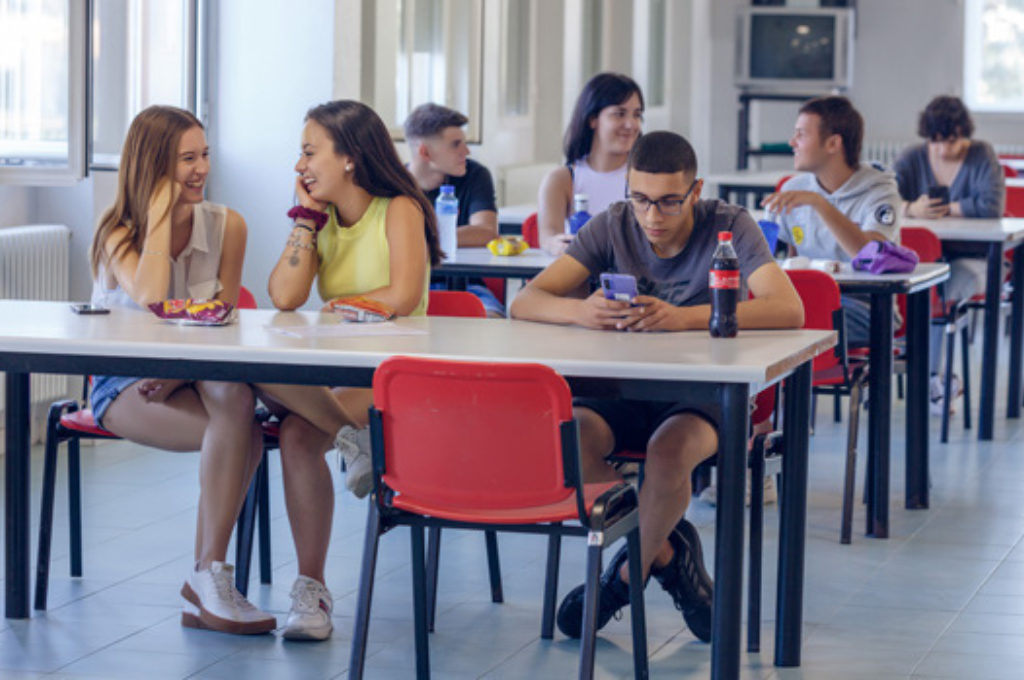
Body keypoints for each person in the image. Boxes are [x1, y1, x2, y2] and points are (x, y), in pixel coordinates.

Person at [510, 131, 804, 643]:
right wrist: (580, 310)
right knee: (568, 442)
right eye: (640, 199)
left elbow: (789, 308)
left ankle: (623, 577)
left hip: (704, 392)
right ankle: (668, 553)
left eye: (669, 201)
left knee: (669, 454)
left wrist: (683, 318)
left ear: (696, 191)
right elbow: (526, 301)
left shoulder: (728, 226)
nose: (652, 216)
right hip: (623, 389)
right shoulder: (612, 225)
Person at [89, 106, 362, 636]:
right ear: (152, 167)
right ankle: (209, 577)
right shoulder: (119, 232)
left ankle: (207, 579)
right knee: (244, 437)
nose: (201, 169)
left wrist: (179, 369)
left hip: (193, 372)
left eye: (205, 155)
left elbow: (222, 319)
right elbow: (149, 296)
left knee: (235, 392)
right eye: (186, 159)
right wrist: (162, 214)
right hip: (125, 383)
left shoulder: (228, 224)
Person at [267, 99, 442, 641]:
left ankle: (311, 592)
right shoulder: (318, 221)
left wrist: (342, 306)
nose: (301, 165)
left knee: (297, 431)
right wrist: (303, 221)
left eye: (309, 152)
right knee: (268, 387)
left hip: (396, 378)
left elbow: (404, 295)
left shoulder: (399, 209)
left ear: (348, 158)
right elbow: (285, 296)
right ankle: (350, 440)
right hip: (337, 375)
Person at [894, 95, 1005, 412]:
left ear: (964, 132)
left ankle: (932, 379)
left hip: (973, 258)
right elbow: (885, 198)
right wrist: (911, 208)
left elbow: (991, 206)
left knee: (941, 293)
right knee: (911, 293)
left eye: (951, 141)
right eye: (935, 141)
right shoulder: (914, 156)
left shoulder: (982, 155)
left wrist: (942, 210)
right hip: (924, 259)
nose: (941, 149)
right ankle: (913, 371)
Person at [762, 95, 902, 347]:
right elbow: (782, 258)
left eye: (801, 135)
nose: (792, 142)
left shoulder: (880, 193)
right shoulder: (794, 189)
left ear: (833, 143)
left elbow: (868, 253)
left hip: (866, 309)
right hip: (807, 302)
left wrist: (820, 204)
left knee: (791, 326)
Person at [404, 102, 504, 316]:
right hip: (410, 287)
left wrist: (418, 238)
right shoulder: (392, 184)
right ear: (425, 152)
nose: (466, 151)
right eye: (456, 145)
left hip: (469, 287)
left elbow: (486, 232)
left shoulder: (476, 174)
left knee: (493, 321)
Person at [537, 72, 644, 256]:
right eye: (620, 114)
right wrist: (556, 244)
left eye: (637, 115)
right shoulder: (562, 179)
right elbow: (548, 238)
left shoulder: (646, 176)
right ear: (592, 119)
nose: (631, 124)